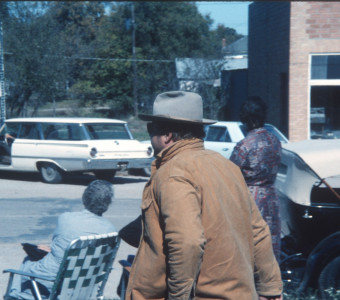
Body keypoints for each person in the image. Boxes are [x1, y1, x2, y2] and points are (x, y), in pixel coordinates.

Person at [125, 91, 283, 299]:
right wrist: (270, 290)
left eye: (150, 130)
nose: (149, 138)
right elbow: (259, 232)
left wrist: (178, 296)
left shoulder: (173, 172)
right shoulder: (227, 167)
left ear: (167, 136)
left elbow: (187, 242)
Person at [8, 180, 116, 300]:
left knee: (28, 261)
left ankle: (14, 296)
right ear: (108, 203)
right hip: (83, 286)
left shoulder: (66, 219)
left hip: (54, 281)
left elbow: (60, 244)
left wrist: (52, 251)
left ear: (85, 198)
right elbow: (104, 263)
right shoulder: (111, 230)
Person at [230, 96, 282, 262]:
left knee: (250, 246)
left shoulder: (245, 145)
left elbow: (230, 174)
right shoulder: (275, 140)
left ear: (246, 119)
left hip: (250, 199)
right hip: (271, 198)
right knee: (269, 245)